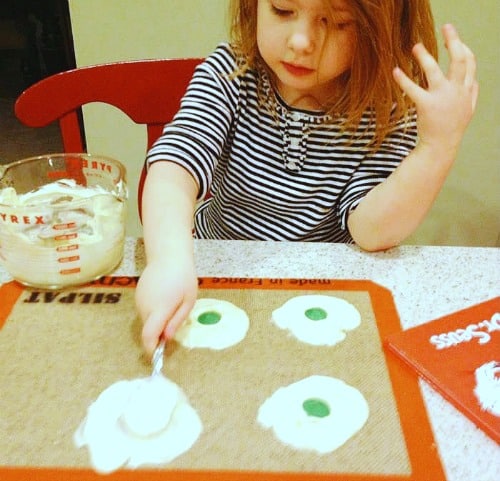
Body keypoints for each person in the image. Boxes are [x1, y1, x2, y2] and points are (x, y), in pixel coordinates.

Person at [136, 0, 478, 355]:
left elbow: (371, 230)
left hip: (323, 290)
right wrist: (168, 260)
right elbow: (174, 168)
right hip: (214, 269)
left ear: (378, 32)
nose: (301, 41)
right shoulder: (229, 74)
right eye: (282, 10)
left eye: (336, 22)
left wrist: (437, 147)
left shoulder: (386, 108)